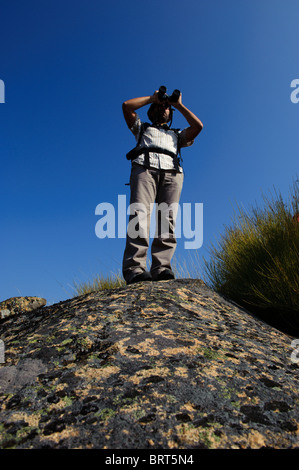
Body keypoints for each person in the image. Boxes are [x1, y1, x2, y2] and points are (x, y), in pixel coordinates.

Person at [122, 88, 203, 285]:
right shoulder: (142, 128)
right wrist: (153, 98)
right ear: (152, 110)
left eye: (167, 107)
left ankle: (162, 268)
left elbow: (198, 126)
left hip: (172, 173)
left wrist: (178, 105)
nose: (164, 108)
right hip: (144, 168)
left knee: (167, 220)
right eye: (160, 106)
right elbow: (127, 106)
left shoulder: (177, 135)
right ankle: (135, 268)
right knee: (139, 216)